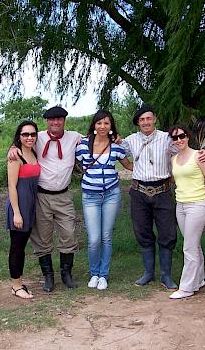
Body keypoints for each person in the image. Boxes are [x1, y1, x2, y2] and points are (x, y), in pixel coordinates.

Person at [121, 105, 205, 290]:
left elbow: (184, 151)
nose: (146, 122)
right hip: (139, 192)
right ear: (138, 122)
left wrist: (203, 153)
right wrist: (130, 166)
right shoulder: (130, 141)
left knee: (167, 233)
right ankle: (148, 273)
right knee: (143, 233)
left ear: (154, 120)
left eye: (149, 118)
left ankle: (166, 276)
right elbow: (117, 152)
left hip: (162, 192)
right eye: (142, 119)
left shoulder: (167, 139)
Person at [8, 106, 82, 292]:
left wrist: (116, 137)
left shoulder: (74, 137)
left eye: (59, 119)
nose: (55, 122)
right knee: (43, 237)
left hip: (63, 195)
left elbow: (98, 138)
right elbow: (22, 140)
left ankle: (66, 273)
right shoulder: (37, 137)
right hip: (41, 196)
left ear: (65, 120)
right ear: (47, 122)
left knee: (68, 234)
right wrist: (12, 147)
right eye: (52, 119)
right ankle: (48, 276)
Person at [75, 110, 133, 290]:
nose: (102, 126)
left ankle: (103, 275)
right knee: (94, 238)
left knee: (106, 236)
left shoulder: (116, 147)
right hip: (90, 196)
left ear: (111, 127)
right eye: (99, 123)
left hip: (111, 194)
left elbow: (129, 165)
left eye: (106, 123)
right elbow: (74, 164)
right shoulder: (83, 145)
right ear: (94, 125)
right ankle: (94, 273)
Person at [168, 124, 205, 299]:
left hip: (197, 205)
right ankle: (199, 279)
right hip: (180, 205)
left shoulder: (199, 156)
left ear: (188, 137)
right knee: (193, 244)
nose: (179, 140)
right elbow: (175, 180)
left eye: (182, 136)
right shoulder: (174, 159)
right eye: (175, 138)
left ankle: (187, 287)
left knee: (188, 247)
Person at [5, 120, 41, 299]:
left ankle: (18, 281)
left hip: (31, 205)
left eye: (33, 134)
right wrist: (17, 213)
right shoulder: (15, 155)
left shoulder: (34, 151)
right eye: (25, 134)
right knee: (17, 246)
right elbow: (11, 186)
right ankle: (16, 285)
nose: (29, 137)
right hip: (19, 206)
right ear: (19, 136)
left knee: (23, 244)